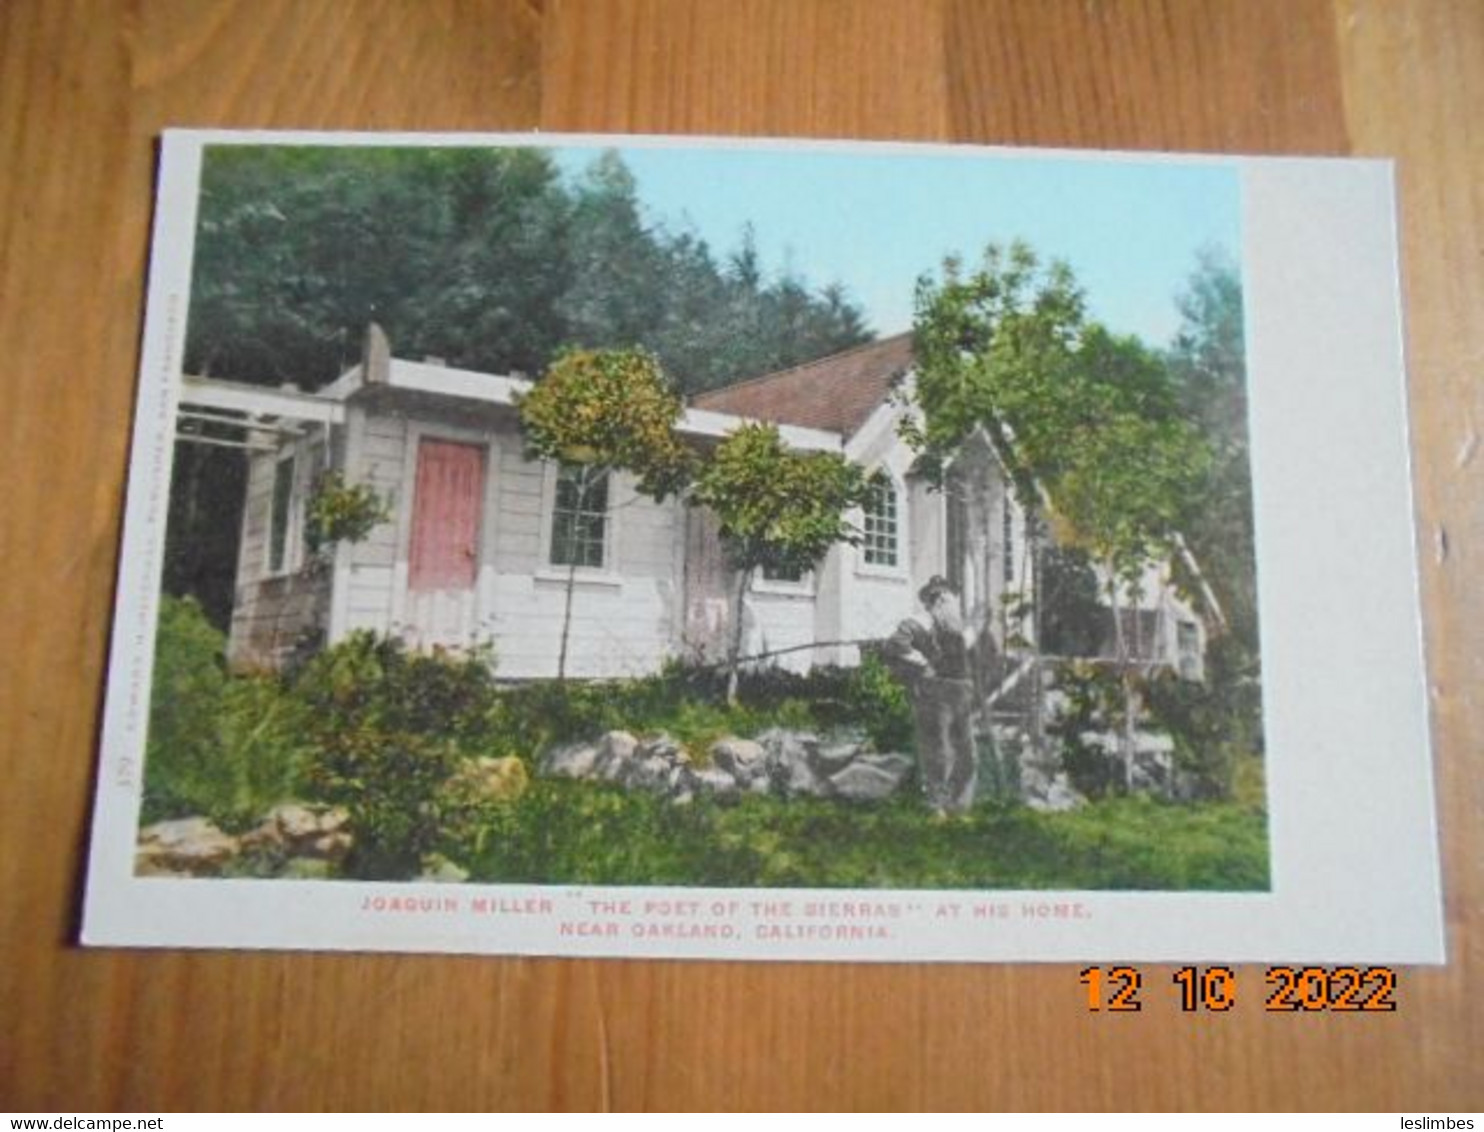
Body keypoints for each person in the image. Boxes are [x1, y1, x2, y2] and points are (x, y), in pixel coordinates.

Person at [885, 576, 985, 818]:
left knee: (967, 753)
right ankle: (936, 807)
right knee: (938, 751)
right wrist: (923, 662)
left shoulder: (956, 628)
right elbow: (894, 645)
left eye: (952, 597)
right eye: (947, 598)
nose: (952, 603)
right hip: (935, 693)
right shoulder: (918, 623)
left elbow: (967, 650)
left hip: (961, 692)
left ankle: (959, 807)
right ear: (936, 600)